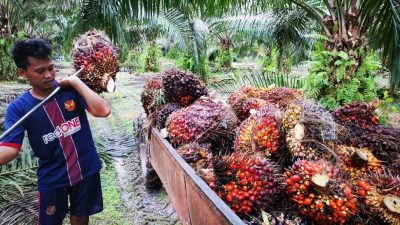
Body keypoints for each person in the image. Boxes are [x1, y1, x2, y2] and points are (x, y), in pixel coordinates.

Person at [0, 38, 111, 225]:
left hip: (86, 169)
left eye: (51, 67)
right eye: (40, 71)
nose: (49, 75)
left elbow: (103, 111)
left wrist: (76, 83)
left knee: (81, 217)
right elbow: (11, 148)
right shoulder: (19, 108)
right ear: (22, 73)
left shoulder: (70, 91)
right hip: (52, 177)